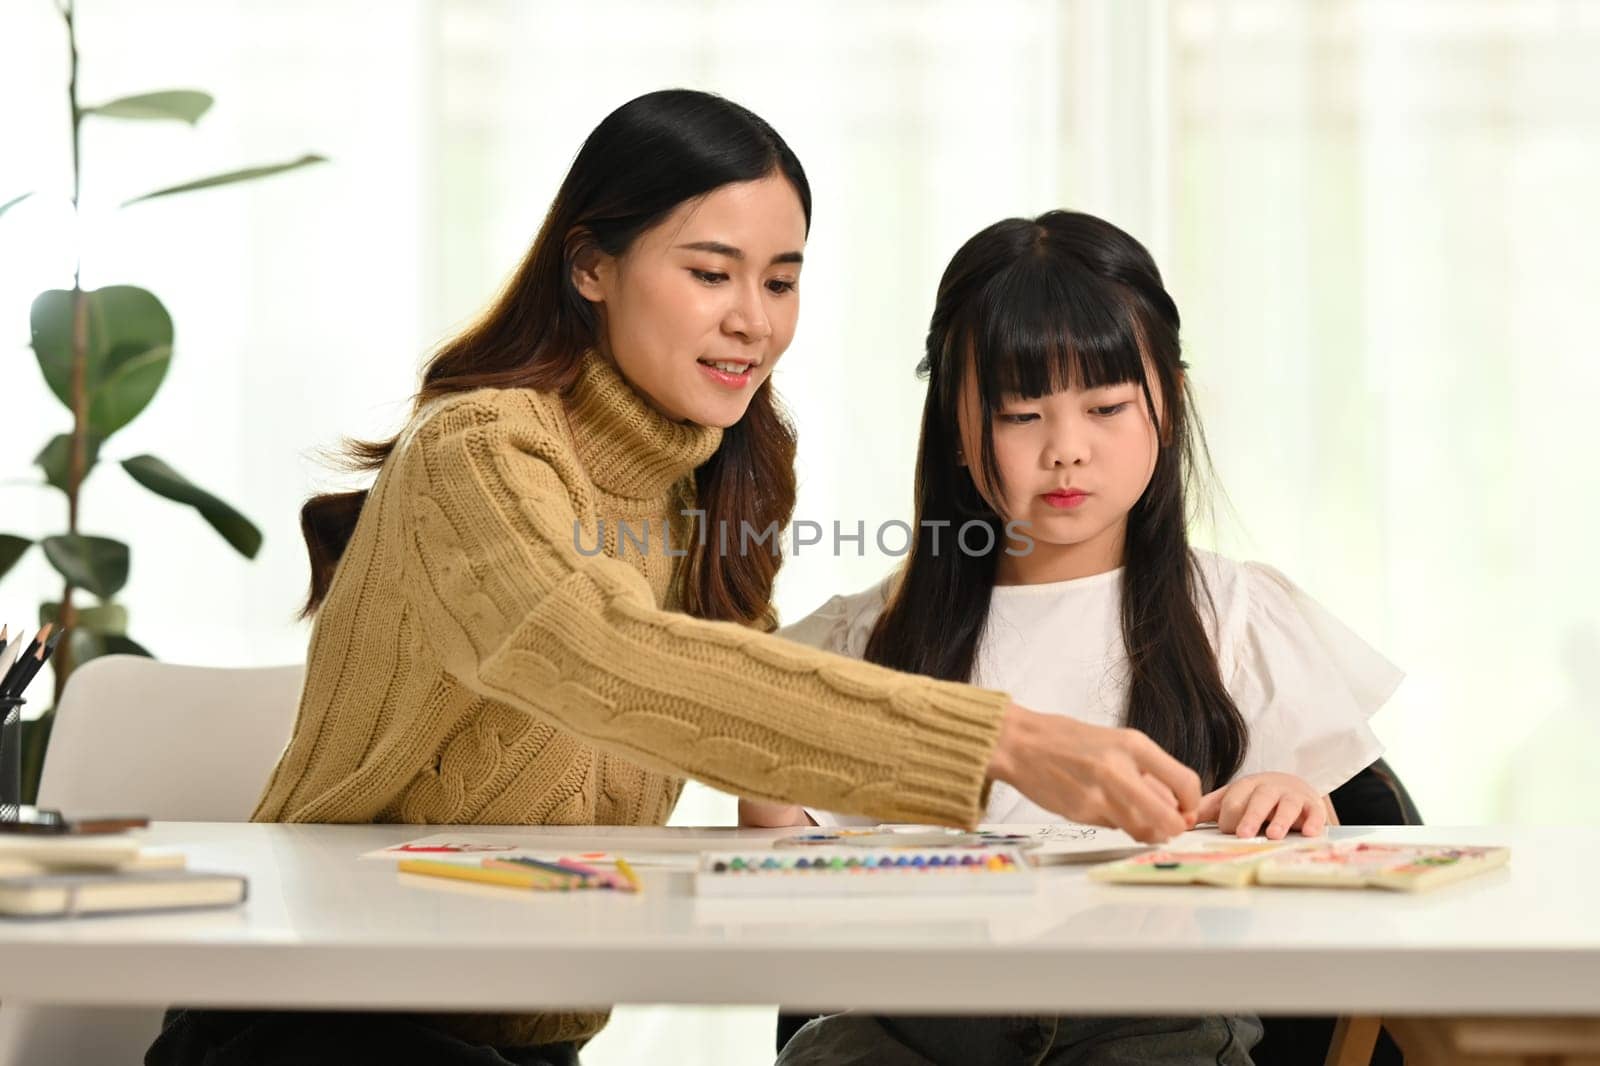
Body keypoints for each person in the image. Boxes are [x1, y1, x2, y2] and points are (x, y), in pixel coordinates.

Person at [146, 96, 1200, 1066]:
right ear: (591, 267)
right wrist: (1002, 740)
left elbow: (730, 720)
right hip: (314, 1025)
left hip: (520, 1042)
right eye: (711, 273)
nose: (754, 319)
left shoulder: (715, 485)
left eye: (780, 280)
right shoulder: (476, 451)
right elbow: (599, 656)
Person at [746, 210, 1401, 1065]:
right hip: (904, 1024)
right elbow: (783, 891)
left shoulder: (1238, 620)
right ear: (955, 422)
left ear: (1167, 401)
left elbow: (1354, 867)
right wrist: (771, 786)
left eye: (1105, 407)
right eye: (1022, 414)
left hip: (1157, 1021)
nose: (1067, 451)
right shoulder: (857, 642)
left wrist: (1290, 804)